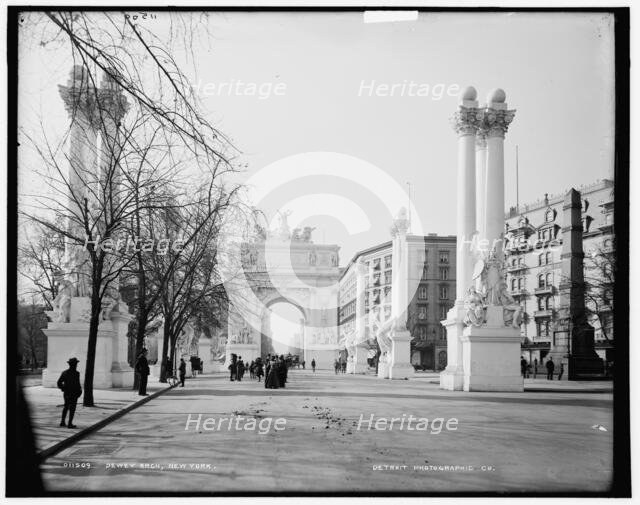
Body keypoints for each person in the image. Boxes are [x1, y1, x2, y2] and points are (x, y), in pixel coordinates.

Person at [57, 357, 82, 428]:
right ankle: (69, 423)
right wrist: (79, 391)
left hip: (67, 393)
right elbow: (78, 384)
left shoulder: (65, 373)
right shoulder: (76, 373)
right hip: (73, 393)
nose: (76, 365)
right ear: (73, 365)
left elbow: (59, 382)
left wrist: (63, 388)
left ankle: (62, 422)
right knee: (72, 408)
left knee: (66, 407)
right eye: (76, 364)